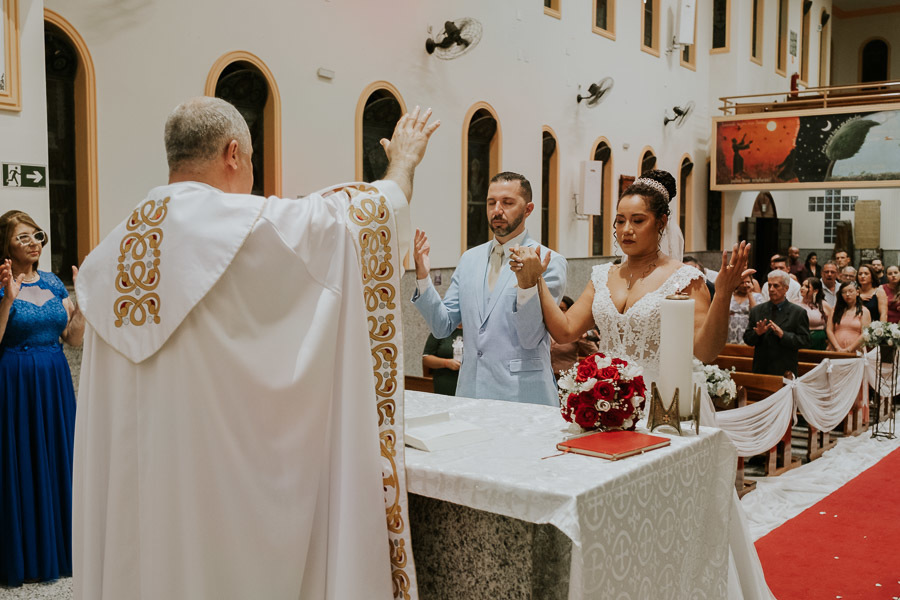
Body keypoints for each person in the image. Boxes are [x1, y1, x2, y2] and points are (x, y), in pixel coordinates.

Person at [71, 98, 439, 599]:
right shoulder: (250, 226)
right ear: (233, 153)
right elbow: (360, 224)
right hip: (219, 505)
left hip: (152, 501)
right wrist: (403, 164)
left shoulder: (109, 254)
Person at [514, 169, 751, 382]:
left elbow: (705, 352)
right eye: (620, 221)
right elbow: (564, 331)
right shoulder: (603, 276)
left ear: (661, 222)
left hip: (661, 397)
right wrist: (537, 280)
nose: (626, 230)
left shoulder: (684, 279)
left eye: (638, 221)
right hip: (606, 396)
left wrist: (723, 294)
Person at [411, 172, 567, 406]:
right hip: (471, 391)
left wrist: (527, 282)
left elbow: (530, 337)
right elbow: (442, 327)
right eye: (491, 202)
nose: (497, 210)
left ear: (528, 209)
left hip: (522, 395)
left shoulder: (548, 261)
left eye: (508, 202)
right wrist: (423, 277)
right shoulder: (469, 259)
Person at [0, 211, 84, 587]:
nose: (33, 242)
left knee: (58, 458)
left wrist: (82, 304)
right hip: (15, 382)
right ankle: (26, 556)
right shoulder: (1, 285)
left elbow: (73, 338)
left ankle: (63, 550)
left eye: (36, 235)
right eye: (22, 238)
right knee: (22, 460)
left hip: (54, 380)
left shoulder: (54, 283)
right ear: (6, 246)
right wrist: (7, 299)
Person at [743, 270, 810, 376]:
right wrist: (757, 333)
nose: (771, 289)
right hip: (761, 369)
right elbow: (747, 339)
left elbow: (804, 341)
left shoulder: (798, 312)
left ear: (786, 288)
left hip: (785, 369)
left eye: (776, 286)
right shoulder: (757, 310)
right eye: (769, 285)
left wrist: (783, 335)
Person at [550, 296, 598, 376]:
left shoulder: (576, 332)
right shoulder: (546, 330)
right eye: (556, 309)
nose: (559, 312)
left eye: (562, 309)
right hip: (547, 378)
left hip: (567, 379)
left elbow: (594, 355)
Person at [826, 281, 871, 353]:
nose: (847, 294)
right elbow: (829, 330)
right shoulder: (835, 310)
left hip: (856, 351)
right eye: (844, 292)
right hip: (835, 350)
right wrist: (837, 348)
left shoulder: (864, 311)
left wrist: (849, 349)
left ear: (857, 292)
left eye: (850, 291)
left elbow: (865, 334)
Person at [422, 325, 464, 395]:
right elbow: (426, 359)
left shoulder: (475, 330)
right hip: (444, 383)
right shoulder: (441, 329)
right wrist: (446, 363)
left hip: (467, 385)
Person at [797, 277, 832, 350]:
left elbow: (832, 325)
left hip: (819, 340)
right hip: (799, 339)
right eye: (802, 285)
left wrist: (830, 343)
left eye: (806, 286)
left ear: (815, 291)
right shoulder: (795, 303)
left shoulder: (824, 305)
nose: (802, 288)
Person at [727, 274, 762, 344]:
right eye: (742, 282)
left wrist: (749, 293)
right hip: (730, 331)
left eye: (748, 282)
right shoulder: (729, 296)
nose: (745, 285)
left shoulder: (757, 297)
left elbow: (755, 313)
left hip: (747, 331)